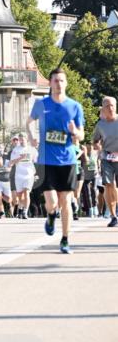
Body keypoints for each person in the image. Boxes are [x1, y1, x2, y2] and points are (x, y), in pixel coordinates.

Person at [27, 67, 85, 253]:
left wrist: (75, 132)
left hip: (67, 160)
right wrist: (31, 136)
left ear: (66, 83)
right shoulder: (41, 104)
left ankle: (65, 239)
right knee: (52, 202)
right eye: (55, 81)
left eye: (61, 81)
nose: (58, 84)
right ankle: (51, 215)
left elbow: (82, 134)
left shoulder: (75, 106)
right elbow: (29, 122)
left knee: (66, 201)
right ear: (50, 84)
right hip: (46, 160)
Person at [91, 95, 118, 227]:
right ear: (103, 109)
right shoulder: (100, 125)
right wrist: (97, 146)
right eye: (107, 106)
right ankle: (113, 215)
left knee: (116, 187)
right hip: (107, 157)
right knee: (108, 185)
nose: (110, 108)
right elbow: (95, 140)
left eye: (112, 105)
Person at [10, 132, 37, 219]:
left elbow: (36, 161)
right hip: (19, 175)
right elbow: (11, 163)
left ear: (27, 139)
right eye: (20, 139)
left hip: (29, 175)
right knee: (20, 195)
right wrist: (20, 158)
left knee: (26, 193)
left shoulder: (32, 149)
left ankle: (25, 211)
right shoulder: (16, 150)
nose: (21, 141)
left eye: (23, 139)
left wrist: (36, 172)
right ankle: (20, 209)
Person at [81, 142, 99, 217]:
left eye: (91, 145)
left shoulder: (96, 152)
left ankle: (95, 207)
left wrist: (99, 167)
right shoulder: (83, 153)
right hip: (85, 175)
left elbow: (98, 160)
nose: (90, 147)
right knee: (87, 193)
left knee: (94, 190)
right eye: (89, 146)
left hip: (94, 174)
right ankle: (90, 209)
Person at [0, 143, 12, 218]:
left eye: (1, 147)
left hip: (6, 180)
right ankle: (2, 212)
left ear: (3, 148)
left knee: (9, 199)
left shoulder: (7, 156)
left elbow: (9, 168)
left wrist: (5, 169)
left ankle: (8, 207)